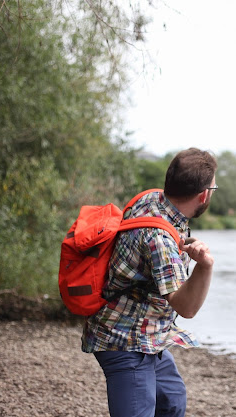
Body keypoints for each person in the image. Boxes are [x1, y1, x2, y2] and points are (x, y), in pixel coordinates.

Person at [82, 148, 218, 417]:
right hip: (125, 339)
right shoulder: (159, 239)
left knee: (171, 401)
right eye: (213, 187)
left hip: (149, 331)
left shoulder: (151, 199)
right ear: (203, 195)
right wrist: (205, 267)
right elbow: (186, 308)